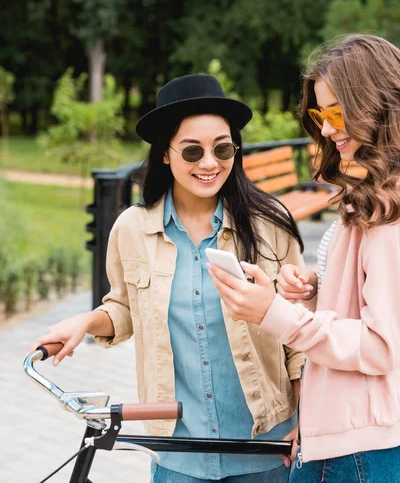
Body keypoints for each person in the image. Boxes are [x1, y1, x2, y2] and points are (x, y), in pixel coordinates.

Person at [30, 74, 306, 483]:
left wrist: (309, 417)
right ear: (164, 153)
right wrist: (85, 322)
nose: (210, 163)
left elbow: (299, 334)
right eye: (192, 151)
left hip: (267, 451)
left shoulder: (272, 224)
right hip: (178, 454)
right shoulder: (131, 229)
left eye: (223, 148)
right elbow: (124, 308)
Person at [209, 34, 400, 483]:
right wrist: (316, 290)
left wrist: (275, 314)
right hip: (345, 434)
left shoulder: (389, 216)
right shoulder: (375, 195)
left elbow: (381, 346)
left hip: (362, 449)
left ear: (376, 103)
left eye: (336, 112)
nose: (328, 128)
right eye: (320, 114)